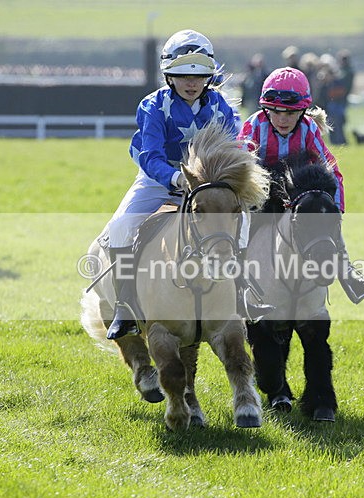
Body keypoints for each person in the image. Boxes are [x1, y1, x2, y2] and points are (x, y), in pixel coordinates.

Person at [105, 29, 271, 340]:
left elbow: (236, 146)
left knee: (243, 221)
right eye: (182, 75)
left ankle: (244, 293)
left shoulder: (221, 106)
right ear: (169, 75)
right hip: (159, 180)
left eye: (199, 76)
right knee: (120, 227)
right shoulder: (152, 106)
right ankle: (125, 307)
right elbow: (148, 154)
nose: (191, 83)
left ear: (209, 76)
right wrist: (176, 178)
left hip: (207, 185)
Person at [237, 67, 364, 305]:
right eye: (276, 112)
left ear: (303, 111)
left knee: (325, 216)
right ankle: (239, 288)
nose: (283, 119)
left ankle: (349, 276)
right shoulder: (253, 126)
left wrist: (335, 210)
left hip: (294, 190)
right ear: (266, 108)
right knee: (241, 227)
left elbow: (332, 170)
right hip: (259, 190)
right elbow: (242, 167)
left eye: (290, 113)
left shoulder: (309, 127)